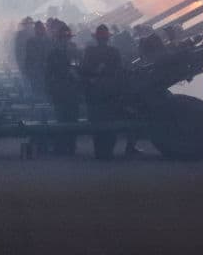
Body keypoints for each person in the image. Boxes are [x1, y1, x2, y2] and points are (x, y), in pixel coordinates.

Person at [82, 24, 136, 158]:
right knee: (110, 123)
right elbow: (119, 72)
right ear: (107, 39)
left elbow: (84, 70)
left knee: (97, 124)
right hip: (110, 93)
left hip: (95, 93)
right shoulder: (114, 52)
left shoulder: (90, 51)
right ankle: (107, 152)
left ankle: (100, 152)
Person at [44, 23, 80, 154]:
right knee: (62, 118)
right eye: (64, 38)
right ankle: (64, 145)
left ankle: (69, 145)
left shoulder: (71, 51)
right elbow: (49, 73)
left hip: (68, 90)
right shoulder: (55, 54)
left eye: (67, 38)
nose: (66, 40)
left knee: (70, 117)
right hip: (61, 89)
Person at [23, 21, 50, 100]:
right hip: (36, 69)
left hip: (43, 69)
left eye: (41, 29)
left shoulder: (47, 40)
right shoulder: (31, 41)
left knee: (42, 89)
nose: (41, 30)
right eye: (39, 29)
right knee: (37, 89)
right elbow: (29, 56)